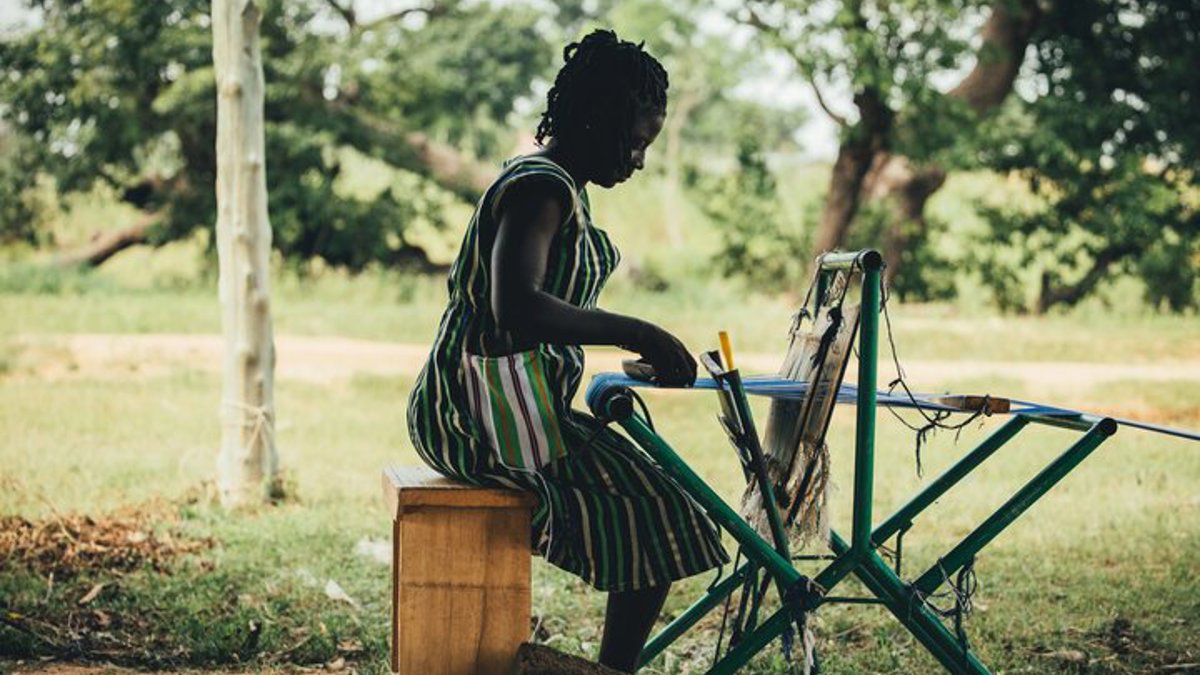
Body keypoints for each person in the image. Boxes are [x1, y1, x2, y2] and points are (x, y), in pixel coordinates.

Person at [406, 29, 727, 673]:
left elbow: (546, 316)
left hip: (517, 407)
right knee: (666, 510)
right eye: (634, 141)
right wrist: (639, 331)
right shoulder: (540, 189)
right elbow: (516, 307)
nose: (637, 161)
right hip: (474, 416)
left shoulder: (559, 189)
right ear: (595, 118)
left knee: (666, 499)